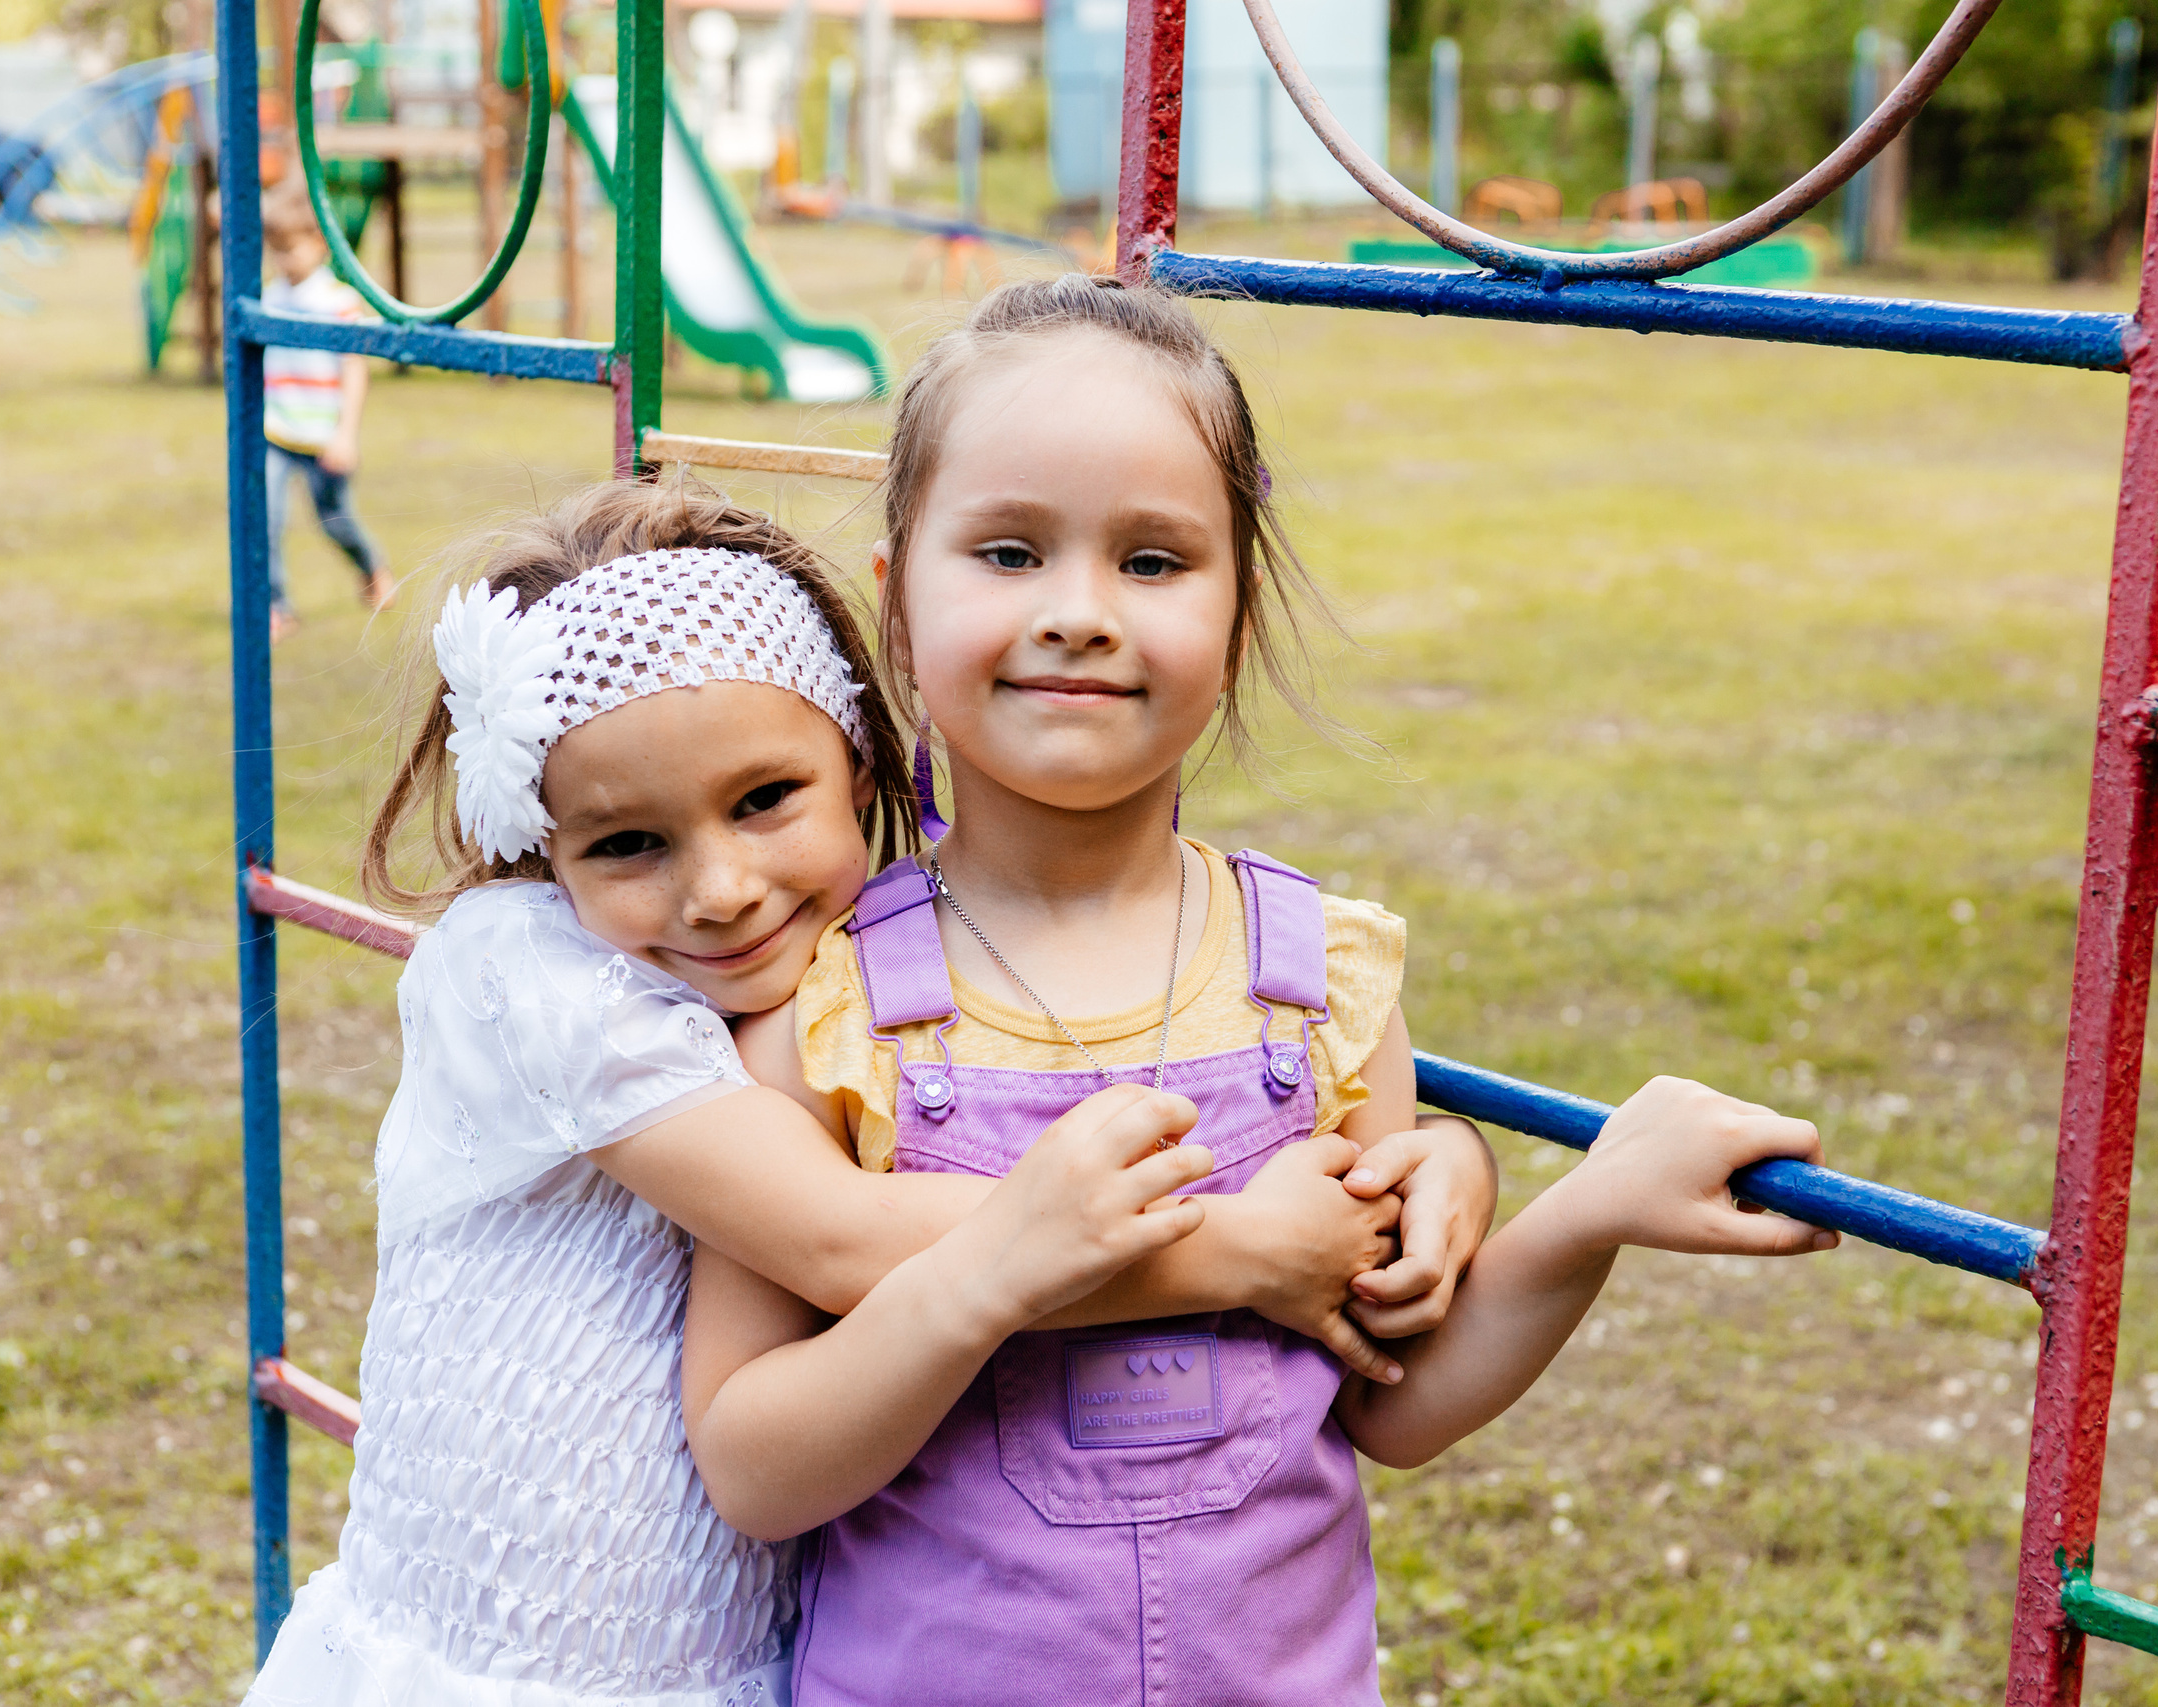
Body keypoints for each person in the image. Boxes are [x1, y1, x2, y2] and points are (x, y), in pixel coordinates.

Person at [679, 274, 1843, 1707]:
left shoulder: (1319, 983)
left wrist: (1589, 1209)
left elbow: (1393, 1397)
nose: (1082, 613)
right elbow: (750, 1463)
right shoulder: (822, 1007)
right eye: (1008, 550)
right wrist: (984, 1276)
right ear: (900, 605)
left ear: (1238, 607)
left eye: (1156, 561)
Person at [242, 479, 1469, 1707]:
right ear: (540, 846)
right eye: (627, 844)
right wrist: (1242, 1250)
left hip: (739, 1656)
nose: (719, 889)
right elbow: (840, 1237)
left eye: (765, 801)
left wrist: (1449, 1159)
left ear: (857, 757)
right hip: (509, 1667)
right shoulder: (529, 975)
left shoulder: (834, 997)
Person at [260, 189, 394, 640]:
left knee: (335, 521)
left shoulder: (337, 302)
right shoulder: (267, 297)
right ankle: (277, 606)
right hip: (276, 430)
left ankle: (371, 566)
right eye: (274, 249)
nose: (282, 260)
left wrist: (346, 435)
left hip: (323, 435)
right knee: (265, 520)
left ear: (318, 244)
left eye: (289, 249)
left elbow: (354, 369)